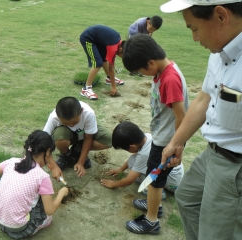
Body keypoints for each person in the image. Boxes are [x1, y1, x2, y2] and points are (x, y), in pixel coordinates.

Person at [159, 1, 242, 239]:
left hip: (234, 167)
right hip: (213, 154)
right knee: (187, 198)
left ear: (220, 16)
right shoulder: (219, 53)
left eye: (194, 28)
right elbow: (205, 97)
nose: (195, 38)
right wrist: (176, 141)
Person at [122, 34, 189, 235]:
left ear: (151, 62)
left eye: (141, 71)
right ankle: (155, 205)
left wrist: (177, 146)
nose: (142, 74)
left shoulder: (169, 79)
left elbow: (182, 116)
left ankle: (151, 221)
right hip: (163, 138)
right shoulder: (163, 71)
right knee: (155, 180)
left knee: (155, 178)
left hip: (166, 142)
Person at [0, 130, 69, 239]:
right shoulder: (42, 177)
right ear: (48, 152)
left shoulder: (12, 162)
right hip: (19, 227)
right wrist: (62, 193)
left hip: (0, 219)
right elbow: (50, 210)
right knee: (48, 216)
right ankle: (37, 225)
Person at [100, 121, 184, 216]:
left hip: (171, 182)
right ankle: (157, 188)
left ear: (132, 146)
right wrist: (121, 169)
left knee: (135, 169)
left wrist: (114, 184)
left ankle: (158, 191)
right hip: (176, 175)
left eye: (126, 149)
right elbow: (135, 158)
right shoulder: (147, 137)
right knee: (133, 161)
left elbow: (129, 180)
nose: (128, 151)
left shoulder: (144, 154)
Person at [43, 96, 112, 177]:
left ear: (81, 111)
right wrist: (54, 166)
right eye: (66, 123)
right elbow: (43, 141)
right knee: (59, 136)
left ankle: (78, 150)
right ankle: (66, 155)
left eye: (75, 122)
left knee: (111, 139)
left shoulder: (88, 113)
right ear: (58, 116)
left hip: (84, 134)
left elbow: (88, 138)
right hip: (67, 135)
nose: (71, 125)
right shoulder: (54, 117)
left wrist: (81, 162)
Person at [80, 25, 125, 100]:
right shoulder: (113, 48)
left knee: (104, 59)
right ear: (120, 49)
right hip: (88, 38)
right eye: (123, 56)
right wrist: (113, 87)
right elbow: (111, 68)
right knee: (98, 63)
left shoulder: (119, 42)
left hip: (99, 41)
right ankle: (86, 89)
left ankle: (109, 79)